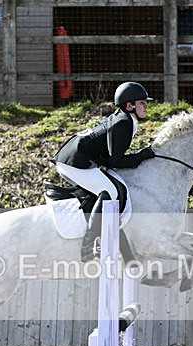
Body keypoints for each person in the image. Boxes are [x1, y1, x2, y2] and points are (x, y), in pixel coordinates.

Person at [53, 82, 156, 262]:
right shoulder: (124, 123)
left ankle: (122, 250)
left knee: (114, 188)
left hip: (78, 157)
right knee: (110, 192)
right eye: (142, 102)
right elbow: (116, 161)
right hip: (74, 162)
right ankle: (89, 247)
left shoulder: (125, 118)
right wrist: (141, 156)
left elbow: (111, 158)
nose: (146, 106)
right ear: (129, 105)